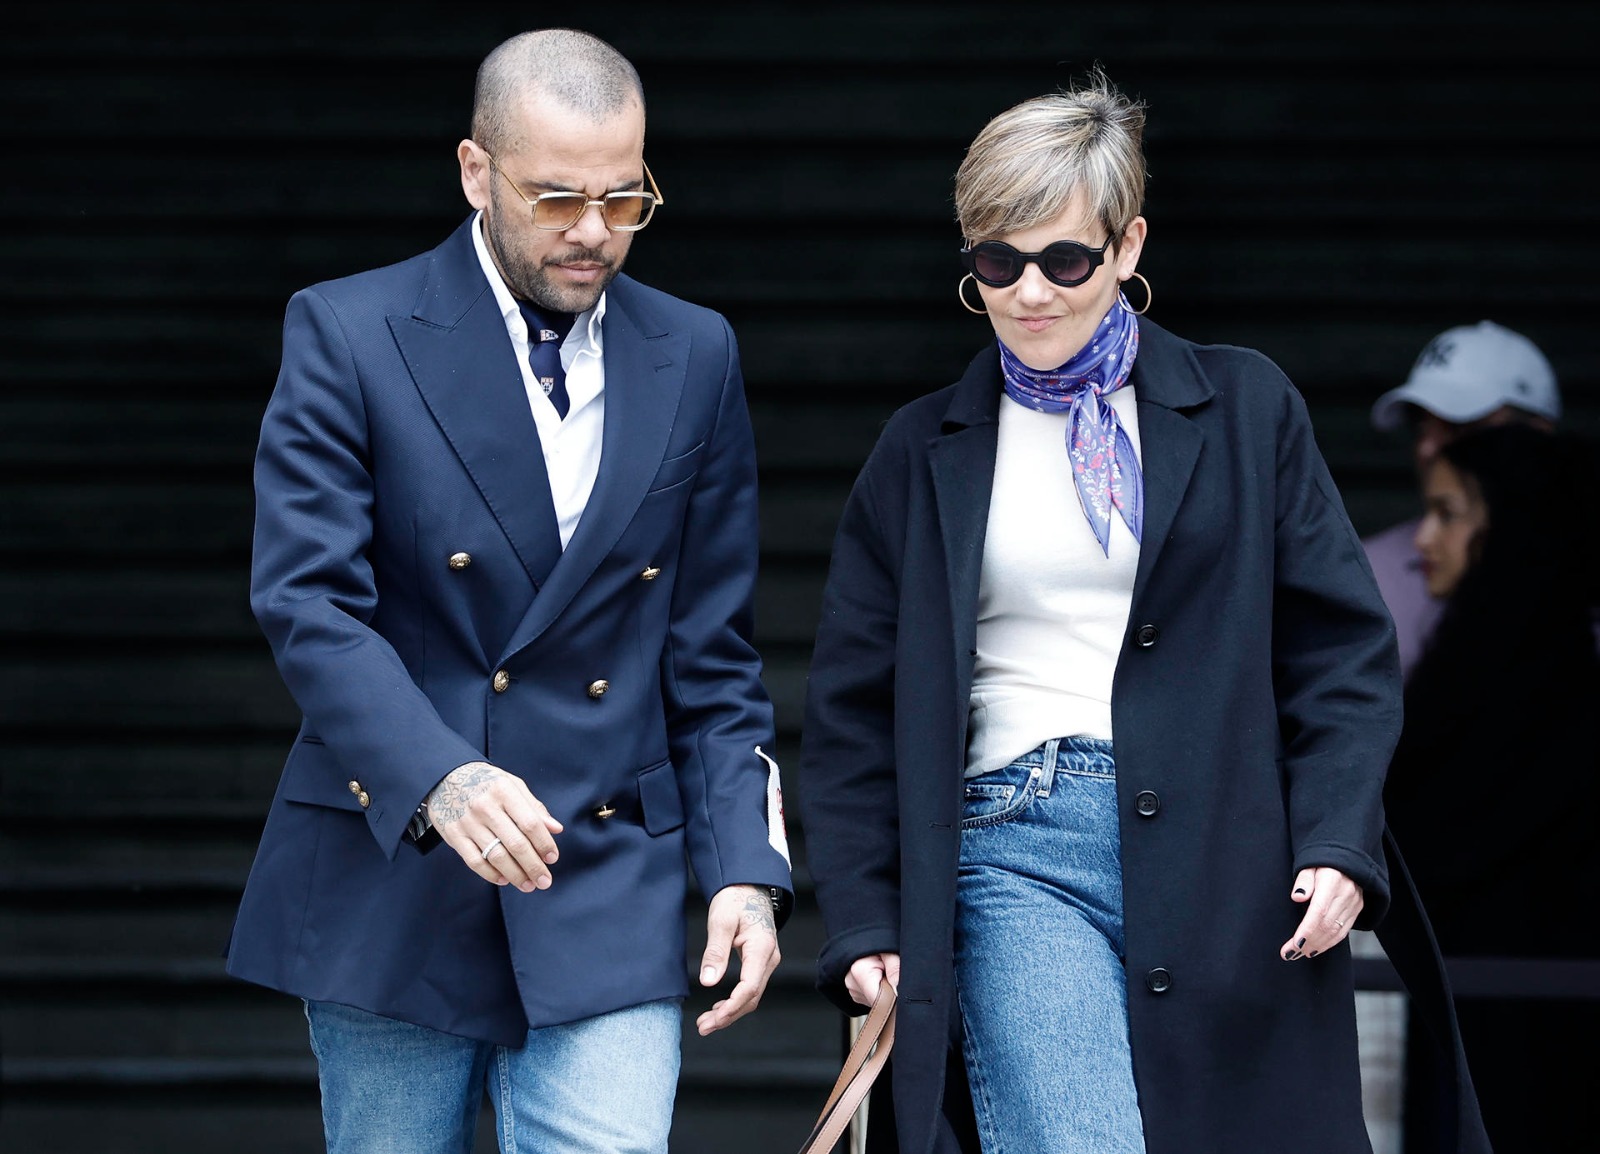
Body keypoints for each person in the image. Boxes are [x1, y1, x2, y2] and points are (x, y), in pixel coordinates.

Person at [797, 73, 1487, 1154]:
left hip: (1230, 860)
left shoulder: (1246, 406)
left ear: (1127, 247)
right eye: (996, 263)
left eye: (1065, 260)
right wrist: (865, 916)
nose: (1029, 292)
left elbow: (1342, 653)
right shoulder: (918, 451)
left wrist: (1338, 835)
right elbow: (848, 710)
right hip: (1009, 847)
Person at [224, 28, 794, 1154]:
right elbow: (309, 602)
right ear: (476, 171)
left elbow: (711, 651)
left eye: (625, 199)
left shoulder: (697, 351)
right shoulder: (348, 329)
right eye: (558, 198)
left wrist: (744, 868)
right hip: (399, 869)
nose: (594, 232)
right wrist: (439, 774)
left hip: (605, 871)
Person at [1384, 423, 1600, 1153]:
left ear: (1508, 532)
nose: (1423, 539)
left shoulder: (1547, 706)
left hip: (1532, 1046)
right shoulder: (1479, 678)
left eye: (1447, 514)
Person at [1363, 321, 1561, 680]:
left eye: (1458, 425)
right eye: (1420, 429)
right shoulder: (1365, 576)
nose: (1427, 449)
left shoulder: (1579, 582)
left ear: (1538, 437)